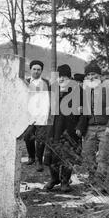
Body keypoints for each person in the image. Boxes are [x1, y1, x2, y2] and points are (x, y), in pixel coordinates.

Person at [76, 62, 109, 192]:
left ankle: (100, 183)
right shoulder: (86, 90)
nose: (90, 76)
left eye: (93, 74)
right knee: (88, 155)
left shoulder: (108, 88)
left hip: (105, 127)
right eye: (88, 74)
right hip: (89, 128)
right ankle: (92, 179)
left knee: (103, 157)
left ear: (99, 75)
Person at [43, 64, 81, 192]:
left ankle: (65, 181)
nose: (61, 79)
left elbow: (84, 112)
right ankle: (54, 179)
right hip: (54, 128)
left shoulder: (77, 91)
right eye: (59, 77)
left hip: (69, 128)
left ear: (69, 78)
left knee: (67, 156)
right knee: (52, 154)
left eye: (64, 77)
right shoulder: (53, 90)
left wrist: (80, 126)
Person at [23, 59, 50, 172]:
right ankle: (31, 157)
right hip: (29, 115)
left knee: (40, 139)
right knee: (27, 136)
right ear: (30, 70)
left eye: (39, 70)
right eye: (34, 69)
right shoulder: (25, 82)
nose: (36, 71)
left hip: (42, 114)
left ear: (41, 71)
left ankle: (39, 160)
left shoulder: (46, 83)